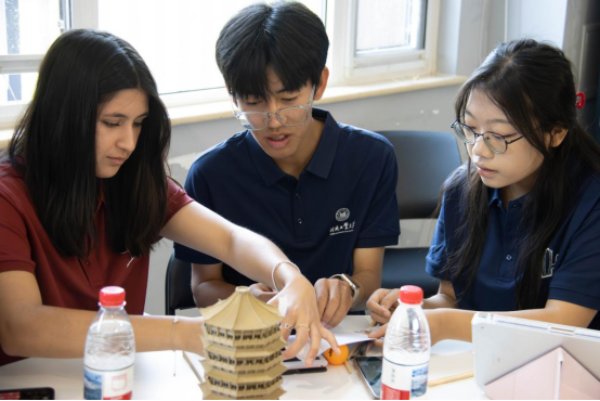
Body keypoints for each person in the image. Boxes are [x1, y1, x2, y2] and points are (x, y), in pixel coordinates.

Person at [0, 29, 339, 367]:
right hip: (30, 380)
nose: (128, 143)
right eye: (112, 123)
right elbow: (21, 326)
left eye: (138, 124)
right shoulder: (8, 198)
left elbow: (230, 239)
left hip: (120, 374)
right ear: (63, 116)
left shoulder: (132, 180)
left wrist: (289, 276)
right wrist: (185, 332)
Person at [173, 1, 400, 329]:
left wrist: (348, 289)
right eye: (254, 101)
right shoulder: (210, 174)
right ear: (232, 95)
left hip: (339, 336)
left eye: (289, 98)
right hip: (255, 337)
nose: (274, 120)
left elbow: (368, 274)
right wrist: (250, 300)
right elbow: (204, 286)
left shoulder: (371, 158)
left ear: (319, 83)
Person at [367, 39, 600, 346]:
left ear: (555, 132)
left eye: (498, 136)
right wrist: (414, 310)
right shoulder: (461, 189)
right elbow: (451, 298)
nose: (478, 150)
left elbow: (562, 323)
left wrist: (444, 323)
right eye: (471, 129)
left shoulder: (591, 204)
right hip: (479, 361)